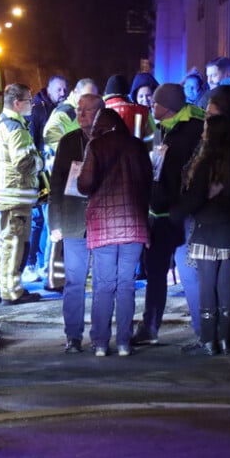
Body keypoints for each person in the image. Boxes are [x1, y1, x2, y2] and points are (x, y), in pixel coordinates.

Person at [170, 114, 230, 355]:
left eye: (205, 130)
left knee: (207, 284)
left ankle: (209, 340)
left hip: (207, 229)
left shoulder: (206, 163)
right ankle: (227, 339)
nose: (202, 134)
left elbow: (195, 198)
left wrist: (173, 213)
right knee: (226, 282)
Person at [77, 108, 152, 357]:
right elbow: (148, 182)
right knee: (127, 284)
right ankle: (124, 343)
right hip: (134, 222)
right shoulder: (136, 145)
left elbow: (85, 184)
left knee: (104, 285)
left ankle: (100, 342)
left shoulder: (96, 146)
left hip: (104, 224)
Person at [133, 83, 204, 346]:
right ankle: (150, 328)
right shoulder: (159, 128)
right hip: (159, 211)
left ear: (169, 105)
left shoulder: (194, 128)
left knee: (189, 273)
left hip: (185, 212)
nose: (151, 106)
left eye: (155, 102)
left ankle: (202, 330)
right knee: (155, 272)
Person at [48, 92, 104, 353]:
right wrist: (55, 221)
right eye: (78, 109)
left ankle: (100, 336)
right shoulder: (69, 141)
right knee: (74, 282)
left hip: (103, 221)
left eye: (86, 110)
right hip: (73, 221)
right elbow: (56, 183)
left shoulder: (110, 140)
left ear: (100, 113)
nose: (80, 114)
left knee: (103, 283)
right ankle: (73, 336)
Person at [0, 83, 44, 305]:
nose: (32, 104)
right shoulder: (16, 128)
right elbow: (23, 162)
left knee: (5, 243)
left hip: (4, 196)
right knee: (14, 244)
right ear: (17, 103)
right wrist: (39, 161)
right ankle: (11, 291)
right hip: (15, 197)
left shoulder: (2, 122)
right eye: (29, 100)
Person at [26, 75, 67, 281]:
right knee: (39, 221)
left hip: (54, 174)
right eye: (59, 89)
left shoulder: (61, 110)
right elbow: (32, 142)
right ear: (48, 90)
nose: (63, 93)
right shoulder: (38, 110)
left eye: (65, 89)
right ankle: (31, 264)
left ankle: (42, 263)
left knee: (48, 221)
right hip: (42, 175)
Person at [102, 74, 155, 146]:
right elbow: (153, 140)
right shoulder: (143, 111)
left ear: (106, 93)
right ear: (128, 93)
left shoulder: (99, 109)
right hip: (136, 152)